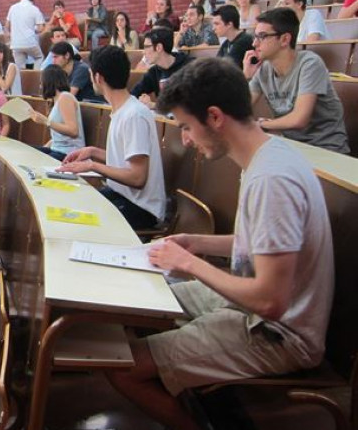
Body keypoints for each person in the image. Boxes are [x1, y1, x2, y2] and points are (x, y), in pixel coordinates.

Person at [105, 57, 335, 430]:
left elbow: (269, 301)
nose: (186, 139)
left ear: (214, 117)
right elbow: (258, 241)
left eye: (187, 127)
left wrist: (190, 264)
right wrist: (195, 243)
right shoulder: (267, 156)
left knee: (124, 368)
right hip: (258, 314)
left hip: (279, 333)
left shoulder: (270, 179)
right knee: (144, 306)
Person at [59, 45, 165, 229]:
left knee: (76, 224)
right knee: (70, 205)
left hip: (141, 208)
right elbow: (125, 161)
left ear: (98, 77)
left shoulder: (134, 115)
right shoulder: (123, 110)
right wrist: (92, 152)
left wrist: (93, 165)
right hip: (122, 195)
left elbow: (137, 178)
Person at [244, 8, 349, 153]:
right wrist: (246, 76)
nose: (255, 43)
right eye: (254, 37)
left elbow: (299, 119)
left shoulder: (310, 63)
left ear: (285, 39)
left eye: (262, 36)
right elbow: (240, 108)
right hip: (291, 147)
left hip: (326, 148)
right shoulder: (263, 70)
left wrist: (263, 124)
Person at [27, 65, 85, 161]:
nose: (41, 85)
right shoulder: (57, 100)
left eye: (42, 81)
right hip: (57, 149)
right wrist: (44, 149)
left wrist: (46, 121)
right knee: (25, 151)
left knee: (31, 160)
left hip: (68, 153)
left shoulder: (65, 97)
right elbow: (58, 138)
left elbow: (73, 131)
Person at [131, 27, 193, 105]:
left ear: (159, 48)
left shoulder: (191, 66)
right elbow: (132, 95)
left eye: (146, 47)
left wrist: (154, 105)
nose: (143, 52)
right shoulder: (153, 72)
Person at [7, 0, 46, 69]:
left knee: (20, 69)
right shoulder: (34, 9)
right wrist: (33, 29)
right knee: (39, 57)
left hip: (16, 43)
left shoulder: (13, 8)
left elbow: (7, 26)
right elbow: (41, 28)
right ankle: (35, 76)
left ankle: (24, 79)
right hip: (30, 42)